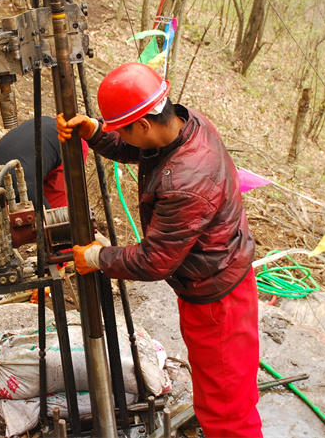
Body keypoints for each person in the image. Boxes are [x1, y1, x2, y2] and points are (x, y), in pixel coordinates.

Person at [56, 62, 262, 438]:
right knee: (218, 392)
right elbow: (142, 149)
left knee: (228, 412)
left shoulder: (186, 181)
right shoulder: (185, 124)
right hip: (215, 278)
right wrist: (96, 133)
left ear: (144, 124)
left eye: (123, 129)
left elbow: (155, 261)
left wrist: (98, 258)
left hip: (219, 304)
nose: (123, 135)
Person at [0, 116, 88, 211]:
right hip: (41, 124)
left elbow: (47, 219)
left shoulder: (27, 191)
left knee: (54, 215)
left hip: (69, 139)